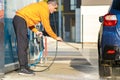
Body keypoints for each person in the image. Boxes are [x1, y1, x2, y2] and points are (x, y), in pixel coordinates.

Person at [12, 0, 63, 76]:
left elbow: (29, 20)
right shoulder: (44, 9)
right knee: (22, 44)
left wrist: (36, 31)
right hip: (20, 20)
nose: (55, 10)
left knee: (25, 44)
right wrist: (56, 37)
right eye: (55, 8)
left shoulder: (41, 7)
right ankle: (22, 68)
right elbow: (47, 28)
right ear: (50, 5)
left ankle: (25, 67)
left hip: (20, 20)